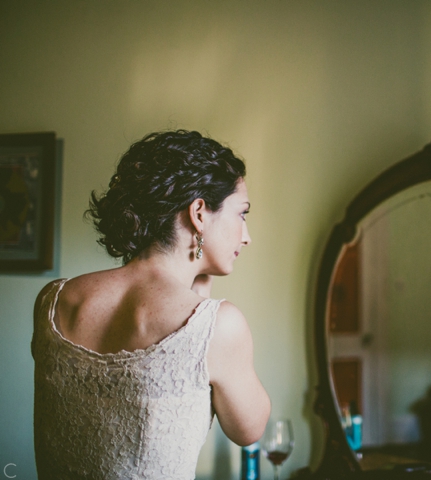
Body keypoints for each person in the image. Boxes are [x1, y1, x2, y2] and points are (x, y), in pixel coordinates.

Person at [32, 130, 271, 479]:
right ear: (200, 213)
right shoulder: (217, 327)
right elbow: (249, 430)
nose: (246, 236)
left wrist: (197, 291)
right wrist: (204, 309)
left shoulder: (54, 301)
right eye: (242, 214)